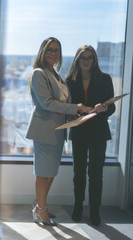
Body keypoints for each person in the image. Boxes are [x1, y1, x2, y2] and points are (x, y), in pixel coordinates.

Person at [26, 37, 91, 226]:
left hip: (58, 130)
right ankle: (41, 211)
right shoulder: (39, 73)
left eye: (56, 50)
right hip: (44, 130)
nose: (54, 53)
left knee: (51, 171)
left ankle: (40, 205)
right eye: (50, 50)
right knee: (42, 172)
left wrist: (76, 116)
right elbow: (46, 104)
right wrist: (74, 107)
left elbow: (61, 104)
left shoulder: (57, 75)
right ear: (42, 52)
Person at [66, 45, 115, 226]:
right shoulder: (69, 81)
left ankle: (95, 211)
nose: (86, 61)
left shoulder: (105, 79)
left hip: (98, 132)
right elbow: (67, 108)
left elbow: (113, 107)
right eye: (83, 58)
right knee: (78, 172)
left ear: (94, 61)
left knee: (96, 173)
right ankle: (78, 207)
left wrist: (104, 108)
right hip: (78, 130)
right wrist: (75, 109)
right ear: (77, 60)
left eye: (90, 58)